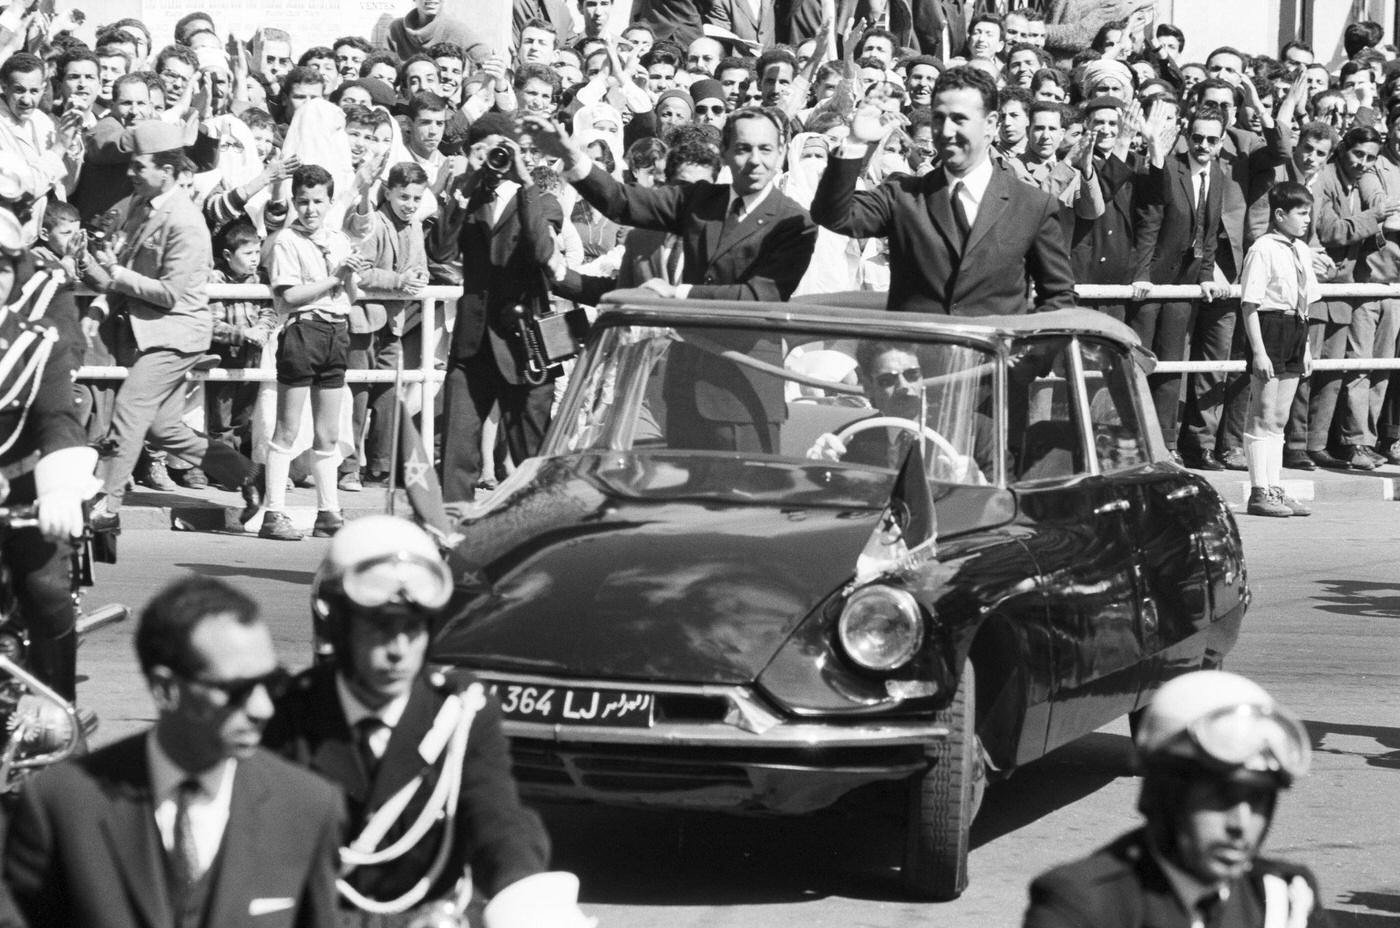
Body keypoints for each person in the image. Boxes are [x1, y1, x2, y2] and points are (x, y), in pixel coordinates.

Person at [264, 515, 589, 928]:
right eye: (380, 628)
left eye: (413, 628)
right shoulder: (290, 712)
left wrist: (521, 891)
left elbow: (495, 816)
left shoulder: (460, 708)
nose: (399, 650)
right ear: (340, 626)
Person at [4, 575, 346, 928]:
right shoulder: (65, 803)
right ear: (166, 689)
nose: (263, 708)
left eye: (271, 683)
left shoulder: (306, 807)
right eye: (237, 690)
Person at [527, 106, 818, 453]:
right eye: (743, 149)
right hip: (683, 390)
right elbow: (625, 202)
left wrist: (676, 293)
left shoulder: (794, 222)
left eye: (765, 149)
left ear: (782, 153)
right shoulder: (699, 200)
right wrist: (571, 156)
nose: (755, 160)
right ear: (725, 153)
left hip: (743, 396)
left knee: (741, 504)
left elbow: (760, 296)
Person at [1023, 669, 1327, 928]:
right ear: (1163, 794)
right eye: (1219, 797)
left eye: (1258, 800)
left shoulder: (1280, 900)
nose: (1241, 824)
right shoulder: (1085, 907)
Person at [87, 120, 260, 534]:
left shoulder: (186, 222)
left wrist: (111, 271)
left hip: (177, 334)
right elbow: (123, 271)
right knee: (162, 428)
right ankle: (246, 475)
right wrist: (97, 306)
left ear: (166, 170)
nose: (131, 172)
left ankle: (105, 508)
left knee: (129, 410)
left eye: (139, 166)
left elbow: (167, 293)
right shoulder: (139, 206)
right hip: (152, 332)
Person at [809, 66, 1076, 316]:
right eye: (939, 118)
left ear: (991, 124)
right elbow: (834, 214)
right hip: (913, 362)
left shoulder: (1031, 205)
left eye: (960, 119)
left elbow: (1058, 298)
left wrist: (1024, 361)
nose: (946, 131)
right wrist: (855, 142)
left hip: (995, 363)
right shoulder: (903, 194)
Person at [426, 115, 556, 504]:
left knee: (532, 453)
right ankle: (450, 538)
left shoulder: (539, 197)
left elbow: (541, 251)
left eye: (501, 151)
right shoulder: (470, 198)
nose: (493, 160)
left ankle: (537, 541)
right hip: (472, 343)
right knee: (456, 453)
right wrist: (463, 187)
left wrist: (525, 182)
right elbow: (440, 250)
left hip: (524, 344)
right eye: (483, 151)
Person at [259, 163, 369, 540]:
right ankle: (274, 512)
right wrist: (334, 277)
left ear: (328, 201)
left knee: (328, 432)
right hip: (303, 330)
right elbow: (289, 296)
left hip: (335, 330)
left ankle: (328, 511)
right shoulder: (286, 241)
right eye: (303, 201)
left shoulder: (337, 239)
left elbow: (350, 296)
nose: (310, 209)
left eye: (317, 201)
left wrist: (350, 275)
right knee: (288, 429)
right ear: (293, 201)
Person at [1238, 183, 1318, 518]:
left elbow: (1304, 299)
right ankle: (1258, 491)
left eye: (1309, 212)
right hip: (1269, 327)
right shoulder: (1263, 248)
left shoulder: (1300, 249)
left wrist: (1307, 346)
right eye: (1301, 213)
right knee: (1264, 412)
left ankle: (1274, 485)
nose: (1306, 220)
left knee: (1281, 417)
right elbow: (1250, 304)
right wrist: (1259, 351)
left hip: (1295, 327)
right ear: (1280, 214)